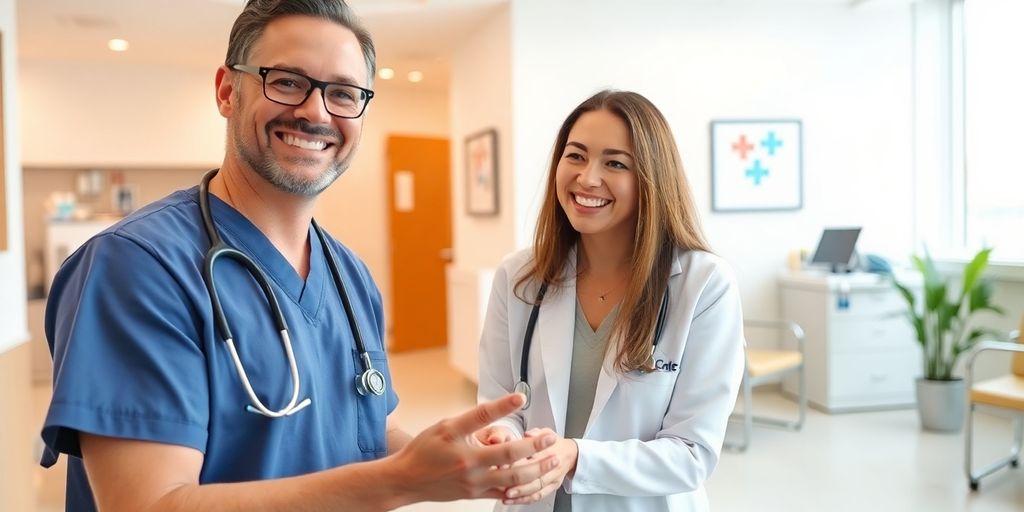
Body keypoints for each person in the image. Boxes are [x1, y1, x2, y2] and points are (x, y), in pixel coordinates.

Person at [39, 1, 558, 510]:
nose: (316, 112)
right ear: (226, 90)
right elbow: (148, 503)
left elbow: (369, 427)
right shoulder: (138, 266)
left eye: (343, 92)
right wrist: (401, 483)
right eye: (287, 81)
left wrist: (453, 461)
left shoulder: (349, 274)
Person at [475, 90, 746, 511]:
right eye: (576, 156)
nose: (587, 178)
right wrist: (502, 438)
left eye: (615, 163)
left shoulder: (703, 285)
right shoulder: (519, 277)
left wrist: (576, 458)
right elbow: (500, 405)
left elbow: (692, 452)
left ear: (652, 179)